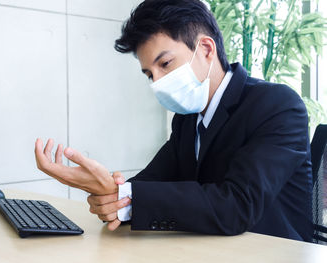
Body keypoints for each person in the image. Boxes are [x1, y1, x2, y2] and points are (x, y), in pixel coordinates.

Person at [35, 0, 313, 241]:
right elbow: (149, 184)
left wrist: (124, 196)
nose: (157, 82)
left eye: (165, 64)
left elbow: (237, 206)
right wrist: (111, 194)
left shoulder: (278, 105)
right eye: (149, 74)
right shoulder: (186, 120)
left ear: (205, 49)